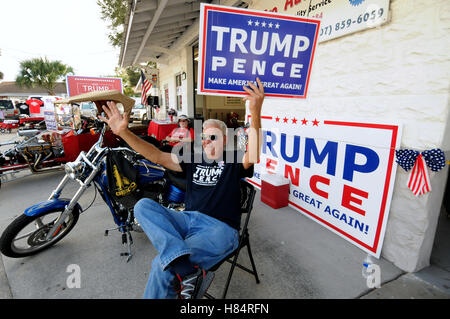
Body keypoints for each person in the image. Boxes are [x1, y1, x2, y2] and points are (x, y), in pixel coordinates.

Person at [99, 78, 264, 299]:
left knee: (161, 266)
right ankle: (187, 271)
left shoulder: (233, 159)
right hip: (187, 220)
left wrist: (256, 111)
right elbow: (157, 156)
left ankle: (184, 270)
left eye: (212, 137)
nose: (206, 141)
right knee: (143, 206)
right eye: (203, 137)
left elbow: (252, 154)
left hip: (219, 229)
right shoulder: (193, 159)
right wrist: (124, 133)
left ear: (225, 140)